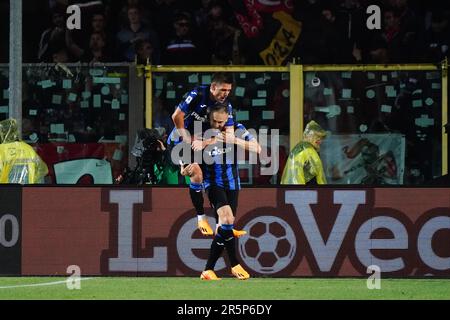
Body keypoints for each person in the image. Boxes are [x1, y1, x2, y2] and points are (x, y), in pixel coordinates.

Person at [181, 104, 259, 280]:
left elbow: (257, 149)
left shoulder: (237, 129)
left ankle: (208, 270)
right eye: (214, 121)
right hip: (213, 183)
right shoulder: (202, 133)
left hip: (233, 184)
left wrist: (235, 141)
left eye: (221, 121)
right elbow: (186, 152)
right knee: (227, 219)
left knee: (224, 228)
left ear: (228, 119)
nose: (217, 125)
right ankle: (234, 264)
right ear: (209, 119)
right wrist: (186, 165)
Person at [168, 72, 240, 236]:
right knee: (197, 173)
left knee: (215, 177)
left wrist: (205, 142)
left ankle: (222, 223)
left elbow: (228, 135)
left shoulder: (226, 107)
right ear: (213, 87)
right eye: (223, 90)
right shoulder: (198, 94)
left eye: (229, 90)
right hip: (181, 141)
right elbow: (176, 116)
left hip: (202, 144)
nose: (226, 94)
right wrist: (186, 137)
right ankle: (201, 217)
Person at [0, 118, 48, 184]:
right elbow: (43, 170)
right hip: (26, 191)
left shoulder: (1, 150)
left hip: (6, 191)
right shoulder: (29, 149)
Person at [280, 120, 327, 185]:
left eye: (321, 138)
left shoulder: (300, 147)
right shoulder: (308, 150)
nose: (320, 140)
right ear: (308, 135)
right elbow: (318, 175)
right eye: (316, 136)